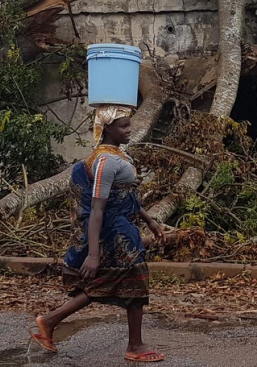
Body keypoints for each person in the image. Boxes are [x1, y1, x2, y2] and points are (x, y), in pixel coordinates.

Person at [29, 104, 167, 363]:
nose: (129, 130)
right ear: (107, 128)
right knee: (133, 283)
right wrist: (93, 254)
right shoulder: (106, 161)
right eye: (123, 126)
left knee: (108, 282)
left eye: (129, 125)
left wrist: (148, 219)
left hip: (123, 229)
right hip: (117, 235)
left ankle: (49, 321)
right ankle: (135, 346)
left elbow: (126, 195)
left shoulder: (116, 155)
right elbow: (97, 208)